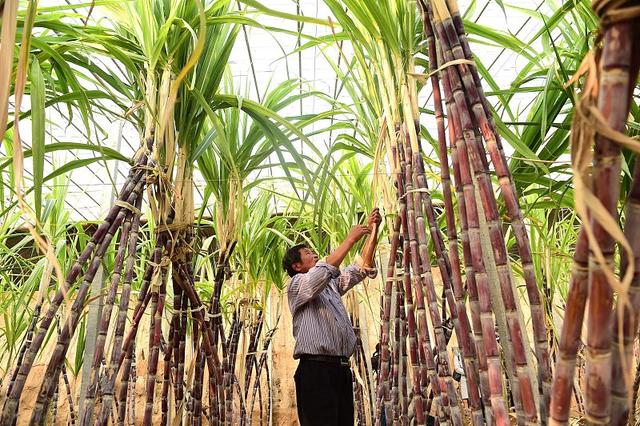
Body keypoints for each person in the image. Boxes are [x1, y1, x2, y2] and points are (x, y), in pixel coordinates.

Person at [283, 208, 382, 426]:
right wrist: (350, 239)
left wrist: (373, 231)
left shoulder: (330, 286)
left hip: (340, 369)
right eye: (308, 253)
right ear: (297, 266)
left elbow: (360, 268)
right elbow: (325, 268)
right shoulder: (297, 285)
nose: (314, 255)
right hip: (315, 372)